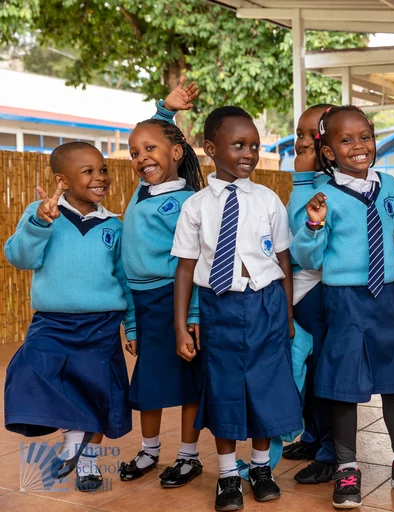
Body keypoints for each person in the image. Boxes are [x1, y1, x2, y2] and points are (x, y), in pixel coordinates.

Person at [291, 105, 394, 509]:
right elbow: (307, 258)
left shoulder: (388, 185)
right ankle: (346, 466)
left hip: (386, 297)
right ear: (328, 152)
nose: (359, 146)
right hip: (345, 300)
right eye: (346, 140)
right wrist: (315, 224)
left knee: (393, 378)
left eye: (365, 137)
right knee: (343, 384)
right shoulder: (324, 196)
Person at [171, 106, 303, 511]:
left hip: (265, 305)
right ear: (211, 148)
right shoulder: (195, 206)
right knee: (225, 390)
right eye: (239, 145)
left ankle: (261, 468)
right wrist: (180, 326)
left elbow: (283, 262)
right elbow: (185, 268)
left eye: (254, 146)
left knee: (266, 387)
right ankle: (228, 475)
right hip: (219, 307)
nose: (249, 153)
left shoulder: (268, 201)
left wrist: (288, 316)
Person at [4, 142, 135, 492]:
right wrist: (38, 224)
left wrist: (131, 325)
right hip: (52, 323)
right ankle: (73, 439)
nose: (100, 177)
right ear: (62, 179)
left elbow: (124, 279)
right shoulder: (43, 213)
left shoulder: (113, 226)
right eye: (88, 171)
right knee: (30, 370)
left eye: (103, 169)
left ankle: (87, 463)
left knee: (96, 392)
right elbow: (19, 257)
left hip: (102, 324)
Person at [118, 80, 209, 487]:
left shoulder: (189, 200)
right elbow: (156, 133)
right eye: (135, 153)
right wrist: (164, 109)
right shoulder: (143, 192)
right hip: (143, 302)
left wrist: (190, 315)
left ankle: (188, 457)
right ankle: (150, 450)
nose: (141, 158)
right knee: (150, 382)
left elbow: (194, 262)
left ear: (176, 153)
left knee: (189, 384)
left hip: (177, 301)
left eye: (150, 150)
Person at [282, 103, 339, 485]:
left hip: (321, 292)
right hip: (303, 293)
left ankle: (331, 452)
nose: (301, 142)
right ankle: (314, 436)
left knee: (325, 375)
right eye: (299, 134)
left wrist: (302, 180)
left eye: (309, 135)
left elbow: (300, 231)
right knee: (308, 370)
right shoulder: (312, 180)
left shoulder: (328, 186)